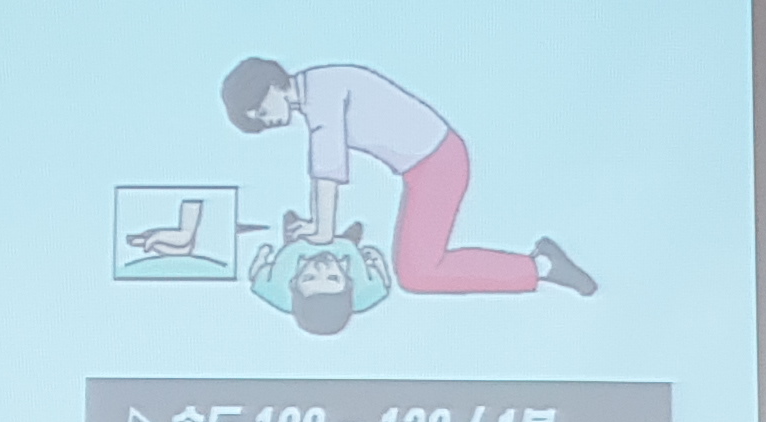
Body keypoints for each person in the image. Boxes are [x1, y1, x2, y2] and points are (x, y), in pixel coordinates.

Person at [220, 56, 594, 298]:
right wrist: (319, 227)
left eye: (261, 110)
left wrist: (322, 230)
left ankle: (541, 267)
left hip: (438, 163)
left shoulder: (321, 93)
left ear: (272, 85)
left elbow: (327, 168)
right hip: (426, 166)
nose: (266, 120)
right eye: (257, 120)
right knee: (417, 271)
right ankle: (538, 266)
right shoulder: (316, 90)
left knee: (418, 273)